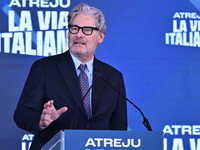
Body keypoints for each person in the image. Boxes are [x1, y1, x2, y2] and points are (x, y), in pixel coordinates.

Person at [14, 3, 127, 149]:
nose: (78, 34)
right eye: (74, 28)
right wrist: (41, 121)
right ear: (68, 33)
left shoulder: (113, 77)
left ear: (100, 36)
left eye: (87, 30)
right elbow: (22, 114)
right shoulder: (44, 68)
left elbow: (120, 130)